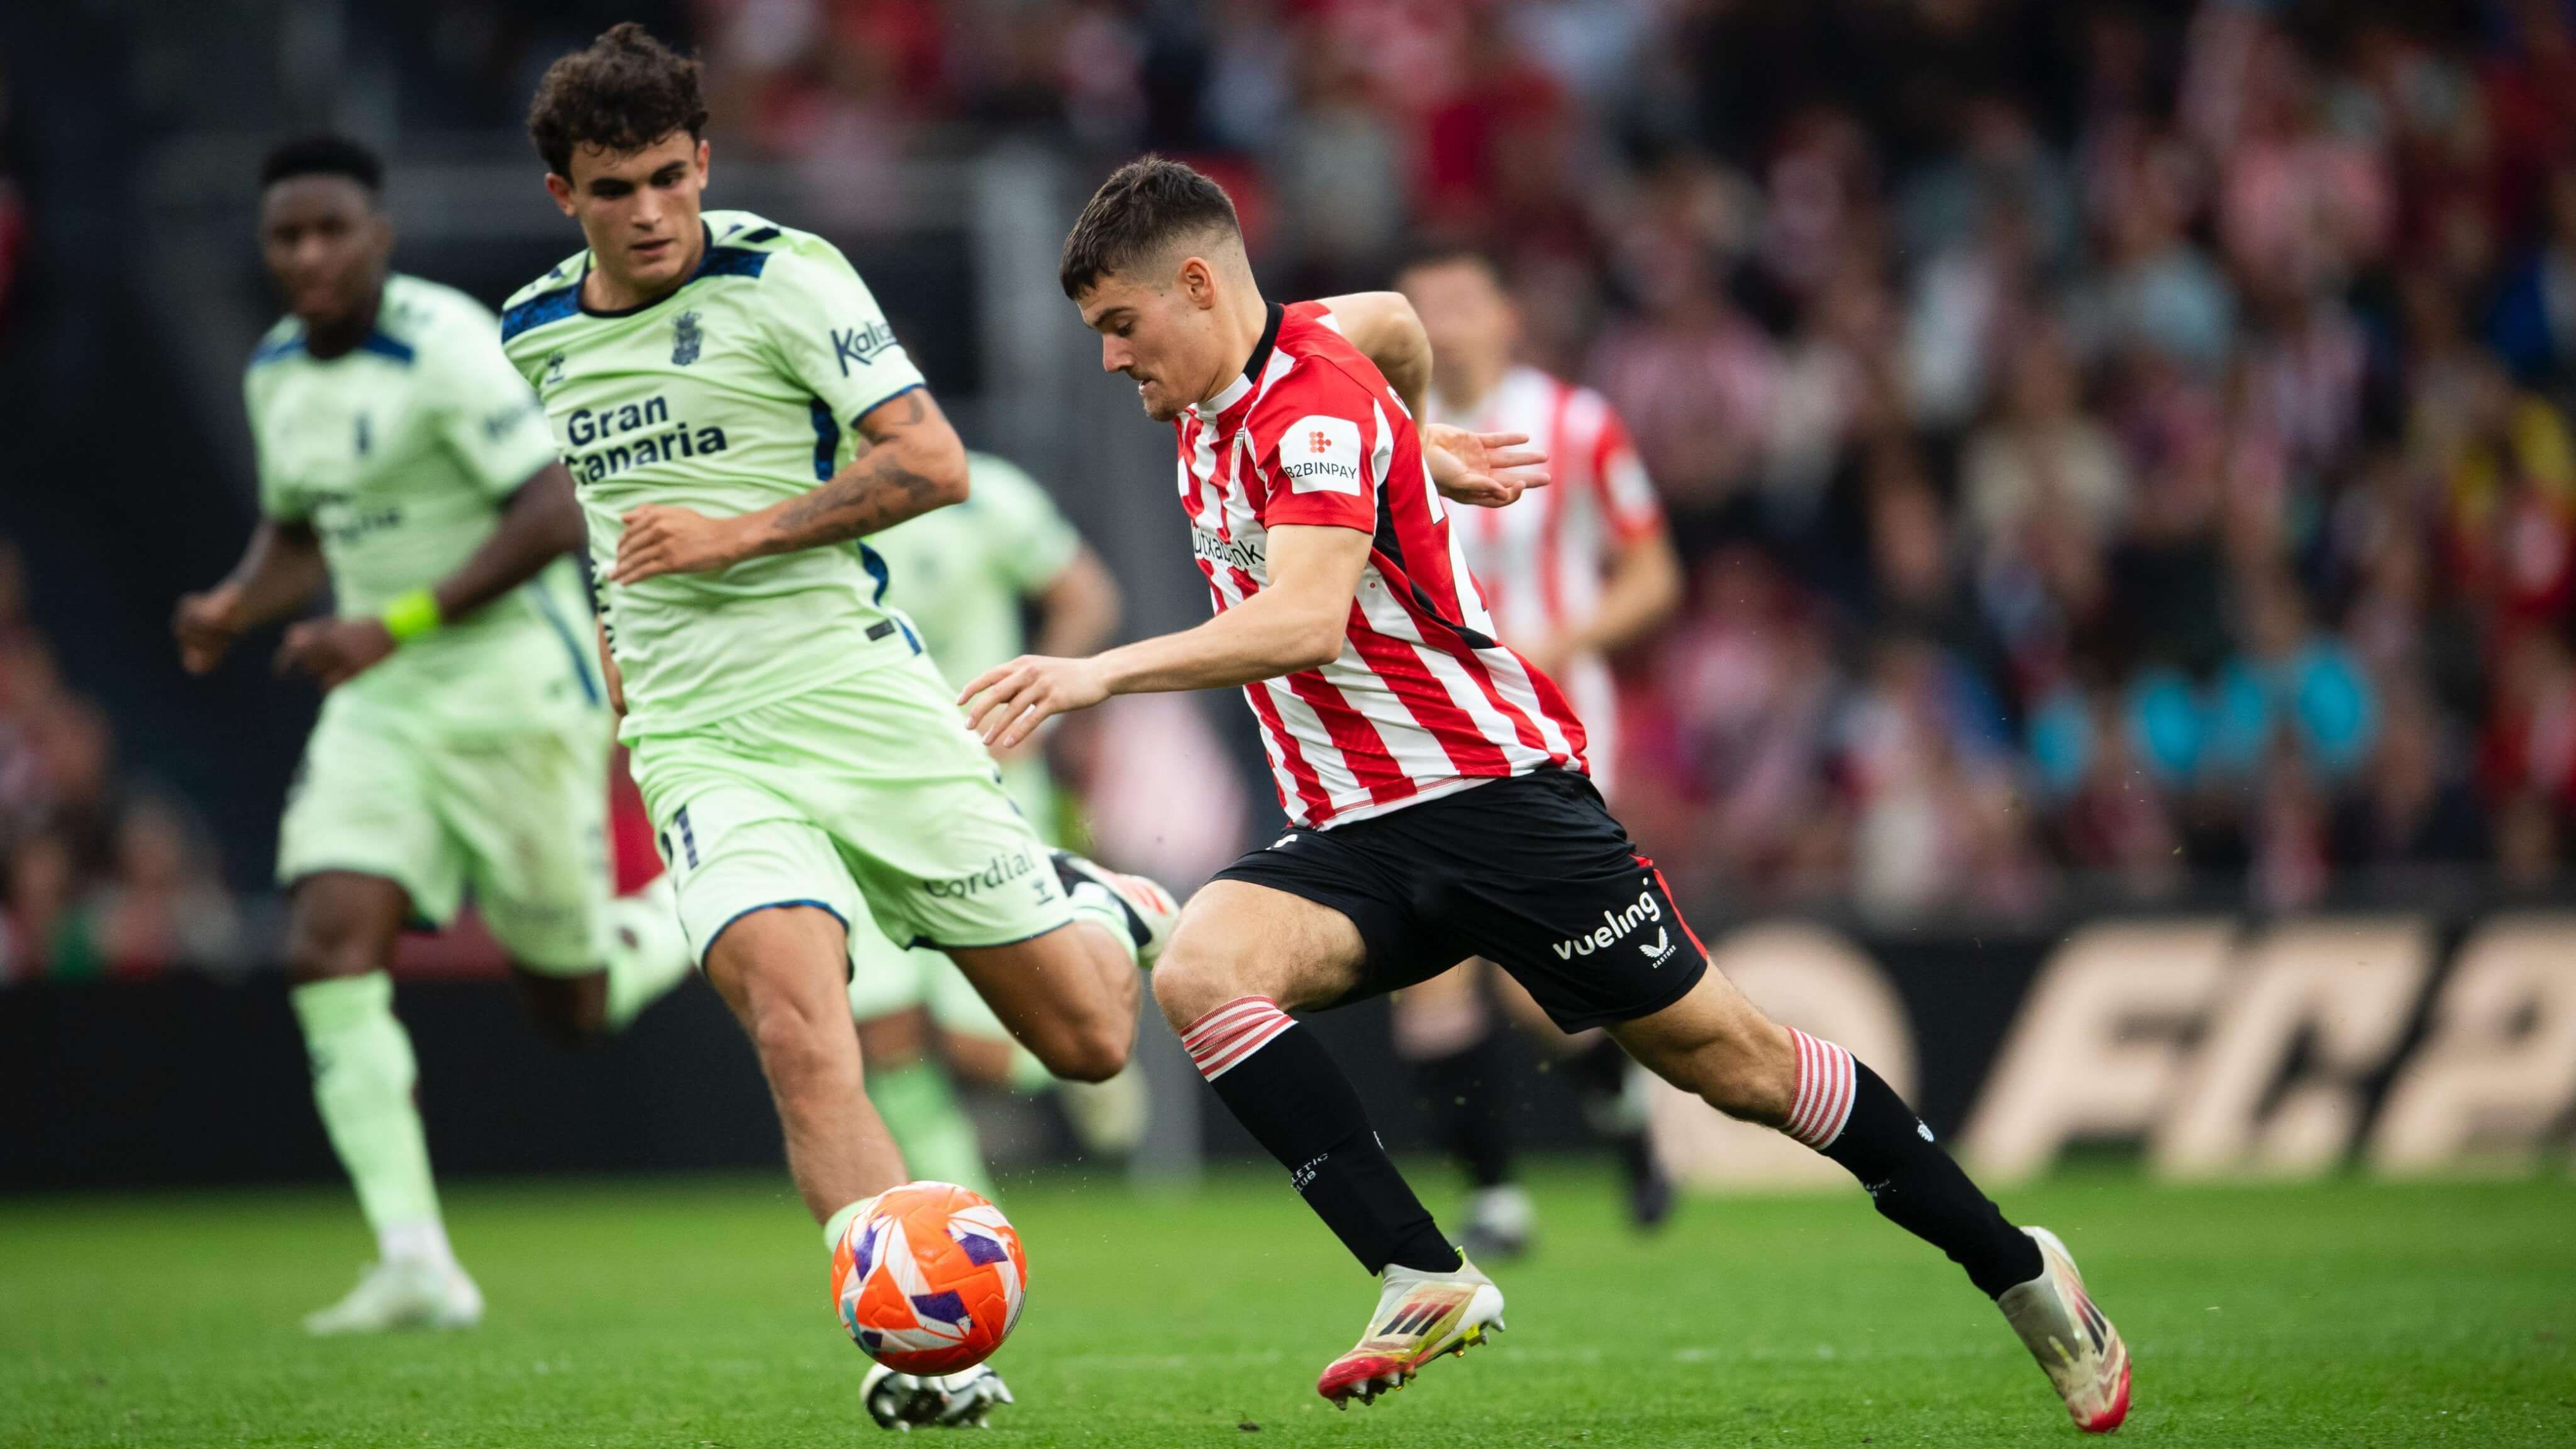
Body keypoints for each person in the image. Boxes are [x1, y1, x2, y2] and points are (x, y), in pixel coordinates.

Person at [960, 156, 2131, 1433]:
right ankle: (1421, 1268)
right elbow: (1397, 325)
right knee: (1200, 965)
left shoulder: (1307, 411)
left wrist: (1090, 674)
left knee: (1729, 1067)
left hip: (1496, 802)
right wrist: (1425, 449)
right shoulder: (1304, 350)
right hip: (1353, 830)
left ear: (1194, 285)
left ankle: (2019, 1271)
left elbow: (1299, 622)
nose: (1112, 360)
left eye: (1119, 328)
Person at [497, 26, 1177, 1428]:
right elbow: (604, 525)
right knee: (804, 1035)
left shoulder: (786, 275)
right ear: (562, 193)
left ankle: (1099, 904)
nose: (649, 212)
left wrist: (732, 537)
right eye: (614, 187)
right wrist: (625, 674)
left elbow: (927, 462)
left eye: (671, 178)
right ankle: (919, 1351)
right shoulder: (531, 331)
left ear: (705, 163)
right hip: (697, 739)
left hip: (860, 701)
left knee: (1085, 1045)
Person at [174, 134, 696, 1335]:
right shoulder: (274, 372)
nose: (307, 254)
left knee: (567, 1003)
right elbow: (300, 533)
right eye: (285, 236)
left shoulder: (447, 344)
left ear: (380, 237)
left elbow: (554, 507)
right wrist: (234, 602)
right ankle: (415, 1255)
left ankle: (679, 905)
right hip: (384, 703)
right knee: (325, 938)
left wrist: (393, 622)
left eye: (329, 231)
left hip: (514, 689)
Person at [1388, 245, 1685, 1258]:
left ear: (1508, 315)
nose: (1448, 321)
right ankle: (1495, 1195)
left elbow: (1652, 576)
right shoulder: (1376, 430)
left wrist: (1560, 643)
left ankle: (1625, 1118)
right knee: (1429, 964)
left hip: (1551, 725)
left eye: (1465, 299)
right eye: (1426, 306)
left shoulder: (1578, 424)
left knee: (1536, 985)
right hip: (1422, 728)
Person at [849, 450, 1143, 1192]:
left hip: (983, 788)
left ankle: (1110, 936)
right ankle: (960, 1211)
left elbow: (1086, 595)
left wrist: (1035, 702)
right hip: (858, 798)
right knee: (884, 1030)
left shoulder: (984, 492)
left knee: (979, 1047)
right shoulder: (797, 505)